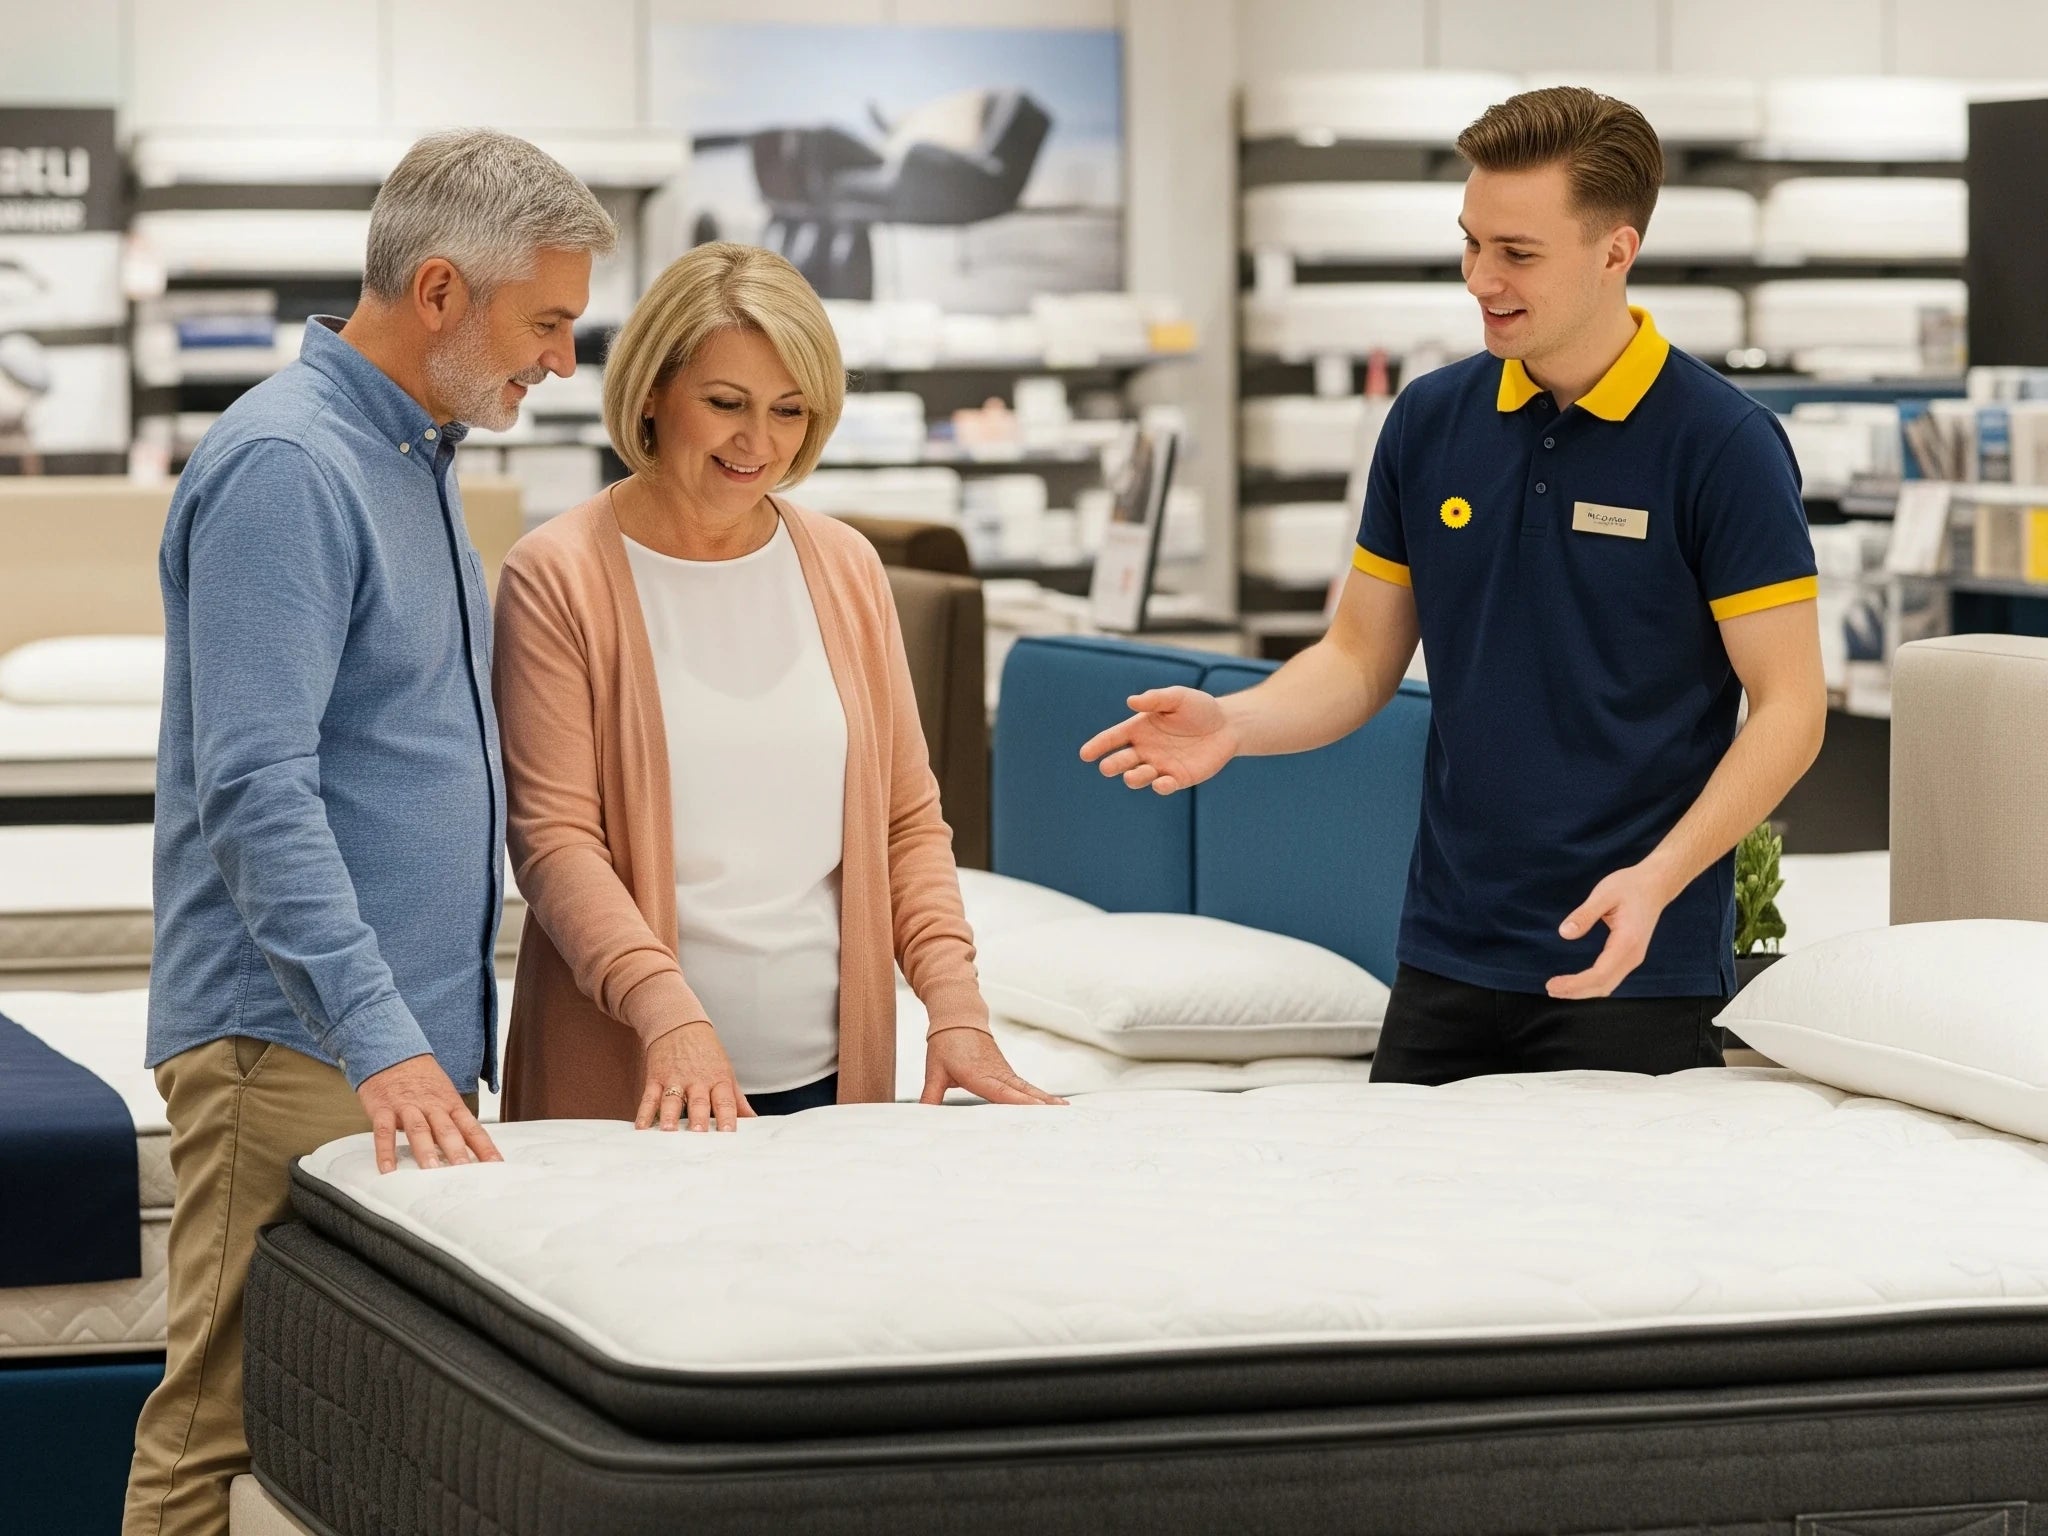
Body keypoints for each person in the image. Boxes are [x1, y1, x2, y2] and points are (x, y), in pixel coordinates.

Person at [1083, 87, 1826, 1086]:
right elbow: (1356, 657)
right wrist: (1237, 724)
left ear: (1615, 249)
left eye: (1516, 253)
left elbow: (1789, 707)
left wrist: (1658, 879)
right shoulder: (1429, 423)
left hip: (1630, 970)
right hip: (1443, 955)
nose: (1481, 279)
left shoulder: (1720, 445)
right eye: (1469, 244)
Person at [129, 130, 616, 1536]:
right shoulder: (292, 464)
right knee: (220, 1427)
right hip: (302, 1043)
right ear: (445, 292)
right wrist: (382, 1030)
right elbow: (257, 787)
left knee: (338, 1431)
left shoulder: (413, 457)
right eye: (550, 321)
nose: (564, 361)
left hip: (385, 1046)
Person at [493, 242, 1058, 1129]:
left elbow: (907, 820)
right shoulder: (558, 576)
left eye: (790, 412)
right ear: (651, 391)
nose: (758, 443)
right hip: (632, 1083)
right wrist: (668, 1014)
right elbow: (556, 842)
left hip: (832, 1090)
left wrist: (955, 1005)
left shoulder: (845, 569)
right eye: (725, 404)